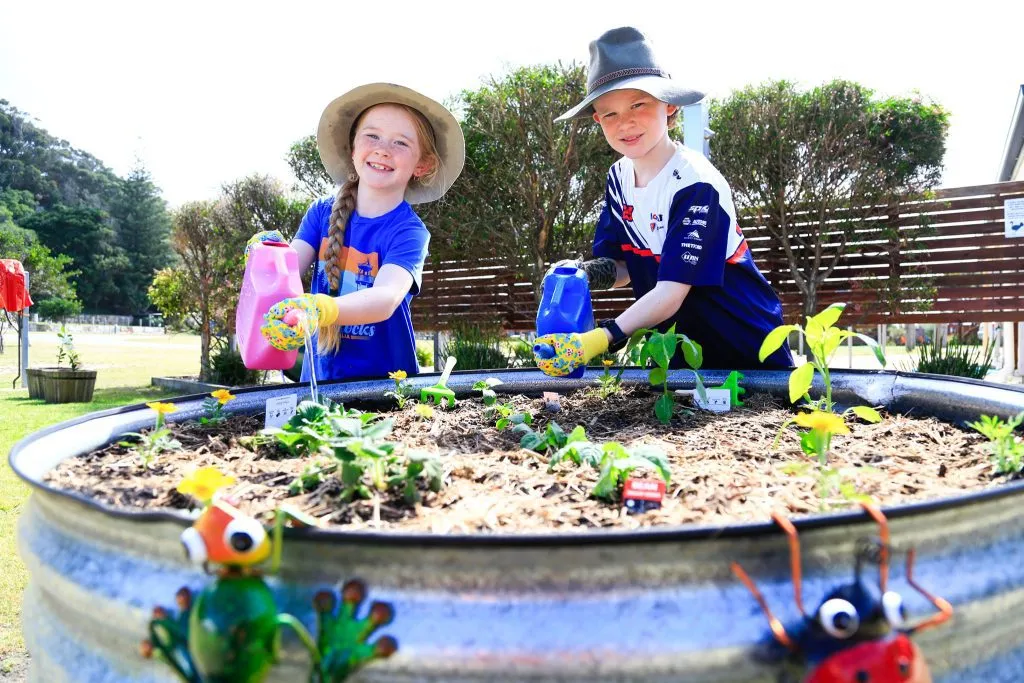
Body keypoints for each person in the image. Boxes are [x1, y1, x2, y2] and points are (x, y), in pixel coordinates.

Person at [533, 27, 793, 377]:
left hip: (748, 353)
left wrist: (598, 339)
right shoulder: (618, 178)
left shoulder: (696, 184)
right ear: (597, 119)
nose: (625, 122)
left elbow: (671, 291)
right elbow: (623, 268)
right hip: (678, 361)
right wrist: (580, 274)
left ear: (668, 105)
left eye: (638, 104)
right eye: (609, 114)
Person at [250, 83, 465, 381]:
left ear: (422, 165)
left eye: (400, 143)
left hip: (387, 391)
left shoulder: (409, 232)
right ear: (353, 148)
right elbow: (287, 273)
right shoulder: (320, 213)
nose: (382, 149)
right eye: (372, 135)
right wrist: (266, 260)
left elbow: (385, 298)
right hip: (319, 383)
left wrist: (320, 308)